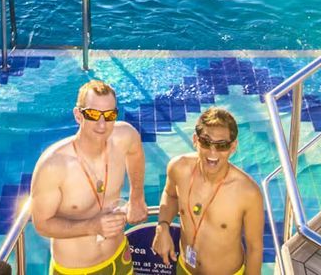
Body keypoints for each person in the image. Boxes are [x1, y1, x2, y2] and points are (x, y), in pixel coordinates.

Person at [30, 80, 148, 275]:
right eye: (93, 115)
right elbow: (42, 224)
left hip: (119, 257)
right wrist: (91, 226)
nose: (102, 124)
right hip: (74, 270)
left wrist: (137, 197)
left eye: (109, 115)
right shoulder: (54, 165)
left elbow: (136, 153)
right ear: (78, 115)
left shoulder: (125, 136)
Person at [150, 107, 264, 275]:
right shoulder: (178, 168)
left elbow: (254, 249)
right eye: (206, 142)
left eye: (222, 145)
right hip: (184, 269)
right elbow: (170, 195)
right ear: (195, 140)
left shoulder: (247, 192)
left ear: (233, 147)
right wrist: (162, 226)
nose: (212, 152)